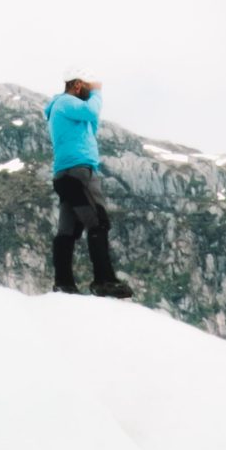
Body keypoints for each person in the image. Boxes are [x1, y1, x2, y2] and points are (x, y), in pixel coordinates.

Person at [45, 76, 133, 299]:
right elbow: (92, 112)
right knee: (98, 222)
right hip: (79, 172)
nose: (91, 92)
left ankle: (64, 283)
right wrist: (97, 93)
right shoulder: (66, 102)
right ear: (77, 85)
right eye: (86, 87)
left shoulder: (61, 109)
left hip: (65, 175)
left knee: (68, 229)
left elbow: (90, 127)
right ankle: (104, 280)